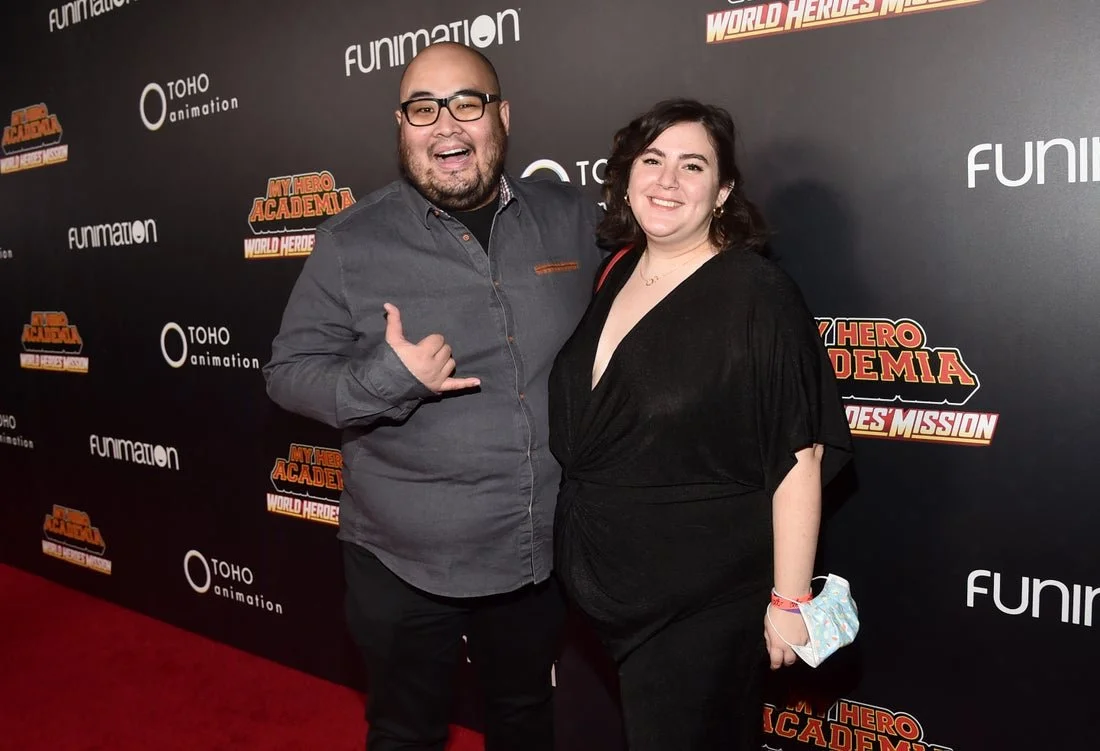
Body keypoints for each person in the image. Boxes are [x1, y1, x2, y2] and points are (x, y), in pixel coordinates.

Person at [263, 42, 605, 751]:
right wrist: (386, 380)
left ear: (502, 116)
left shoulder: (572, 217)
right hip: (402, 561)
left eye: (466, 103)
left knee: (525, 717)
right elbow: (288, 371)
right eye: (423, 109)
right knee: (405, 730)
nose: (445, 126)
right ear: (402, 127)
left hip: (534, 553)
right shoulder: (350, 243)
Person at [547, 99, 854, 750]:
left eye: (692, 166)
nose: (666, 180)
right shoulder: (618, 268)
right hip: (595, 594)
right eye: (652, 160)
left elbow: (797, 456)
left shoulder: (756, 295)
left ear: (722, 192)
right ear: (627, 176)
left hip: (698, 601)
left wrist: (790, 600)